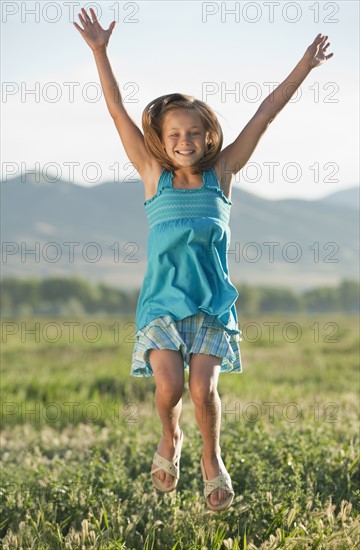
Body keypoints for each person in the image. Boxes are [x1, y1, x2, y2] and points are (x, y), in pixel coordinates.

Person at [74, 8, 333, 511]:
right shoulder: (154, 175)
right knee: (169, 386)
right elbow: (116, 110)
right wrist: (100, 53)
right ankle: (170, 438)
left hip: (211, 305)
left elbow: (264, 113)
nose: (184, 141)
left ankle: (211, 458)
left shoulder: (224, 174)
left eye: (193, 133)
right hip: (161, 306)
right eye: (173, 135)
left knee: (201, 388)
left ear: (208, 136)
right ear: (161, 141)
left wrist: (304, 66)